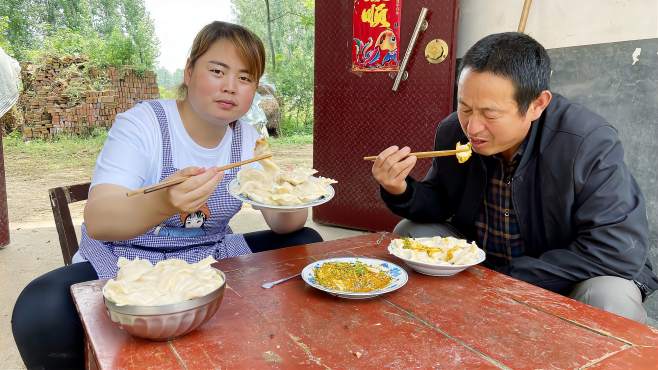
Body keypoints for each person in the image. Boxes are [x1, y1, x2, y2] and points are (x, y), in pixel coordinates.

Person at [12, 21, 322, 369]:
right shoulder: (143, 124)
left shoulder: (247, 139)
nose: (230, 87)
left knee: (307, 241)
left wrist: (290, 193)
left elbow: (286, 226)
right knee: (39, 309)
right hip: (126, 259)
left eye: (245, 78)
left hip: (208, 257)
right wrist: (164, 202)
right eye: (217, 71)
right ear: (189, 72)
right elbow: (99, 220)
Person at [372, 32, 656, 323]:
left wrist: (511, 277)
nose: (473, 127)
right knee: (411, 232)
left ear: (537, 104)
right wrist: (400, 189)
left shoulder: (586, 142)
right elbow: (440, 202)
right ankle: (451, 327)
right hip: (486, 262)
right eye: (465, 107)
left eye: (490, 114)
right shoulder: (453, 131)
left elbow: (618, 249)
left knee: (610, 297)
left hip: (563, 276)